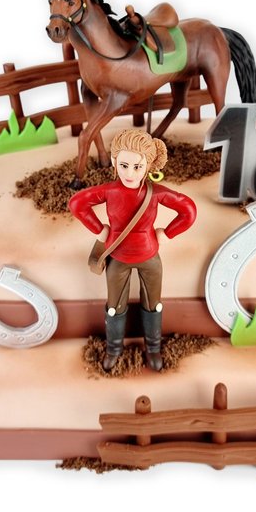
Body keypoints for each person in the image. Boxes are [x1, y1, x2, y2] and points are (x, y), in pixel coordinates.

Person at [69, 129, 197, 371]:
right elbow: (77, 203)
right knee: (114, 306)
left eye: (137, 167)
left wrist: (167, 233)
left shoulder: (156, 193)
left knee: (153, 304)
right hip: (118, 257)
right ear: (114, 161)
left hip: (150, 257)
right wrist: (98, 229)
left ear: (148, 166)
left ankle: (153, 348)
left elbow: (188, 210)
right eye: (124, 165)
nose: (130, 173)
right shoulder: (110, 191)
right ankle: (114, 349)